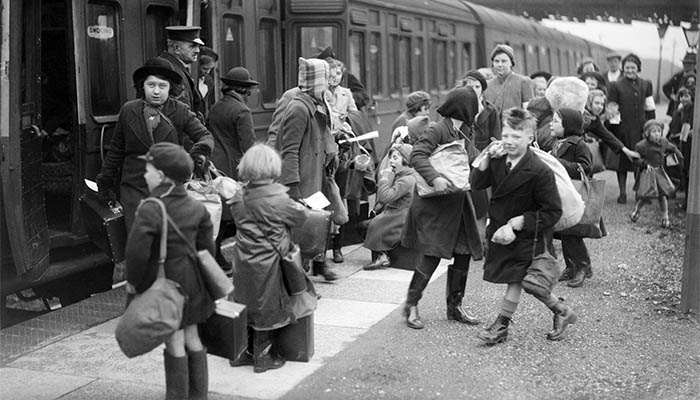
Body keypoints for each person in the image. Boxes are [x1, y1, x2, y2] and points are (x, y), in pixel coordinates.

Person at [471, 108, 577, 345]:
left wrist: (521, 221)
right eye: (506, 135)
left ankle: (501, 326)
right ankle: (561, 310)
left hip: (529, 236)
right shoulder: (498, 159)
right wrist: (486, 157)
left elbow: (552, 211)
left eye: (516, 137)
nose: (508, 141)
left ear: (530, 138)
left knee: (516, 280)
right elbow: (477, 183)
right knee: (528, 284)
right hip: (501, 232)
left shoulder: (539, 171)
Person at [126, 142, 214, 399]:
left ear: (162, 176)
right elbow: (206, 248)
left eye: (148, 170)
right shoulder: (197, 207)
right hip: (194, 283)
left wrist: (136, 285)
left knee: (174, 341)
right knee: (193, 336)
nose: (145, 175)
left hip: (167, 284)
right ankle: (199, 396)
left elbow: (137, 254)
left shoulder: (151, 208)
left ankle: (176, 396)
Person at [96, 57, 213, 233]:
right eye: (151, 85)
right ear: (142, 86)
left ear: (170, 88)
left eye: (162, 86)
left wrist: (199, 153)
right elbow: (116, 151)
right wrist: (105, 184)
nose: (156, 91)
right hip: (134, 189)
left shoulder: (179, 110)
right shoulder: (128, 111)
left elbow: (205, 135)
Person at [401, 87, 484, 329]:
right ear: (466, 108)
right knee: (432, 254)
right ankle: (411, 305)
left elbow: (469, 158)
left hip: (458, 202)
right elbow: (417, 155)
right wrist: (434, 177)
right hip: (435, 204)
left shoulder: (466, 131)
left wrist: (489, 155)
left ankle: (454, 307)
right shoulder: (437, 130)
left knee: (464, 251)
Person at [229, 143, 311, 373]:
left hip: (243, 260)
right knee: (267, 308)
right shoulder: (279, 200)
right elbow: (302, 217)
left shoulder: (238, 197)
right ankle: (263, 359)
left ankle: (241, 354)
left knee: (245, 303)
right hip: (270, 263)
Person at [277, 57, 339, 281]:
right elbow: (289, 150)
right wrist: (292, 185)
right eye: (325, 78)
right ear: (317, 82)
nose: (329, 83)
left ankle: (319, 265)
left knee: (319, 220)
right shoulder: (299, 108)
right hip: (303, 178)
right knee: (302, 227)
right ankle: (299, 280)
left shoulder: (312, 103)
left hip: (314, 174)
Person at [207, 66, 259, 269]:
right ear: (243, 89)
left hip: (216, 167)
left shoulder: (217, 106)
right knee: (240, 214)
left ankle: (215, 254)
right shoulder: (242, 110)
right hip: (234, 167)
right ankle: (244, 259)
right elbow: (248, 145)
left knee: (219, 214)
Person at [550, 108, 593, 288]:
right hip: (562, 194)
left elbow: (586, 168)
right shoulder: (557, 143)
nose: (551, 124)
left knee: (572, 233)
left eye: (556, 121)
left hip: (574, 195)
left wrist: (559, 163)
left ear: (568, 125)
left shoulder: (579, 145)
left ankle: (583, 266)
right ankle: (570, 266)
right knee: (564, 231)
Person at [607, 53, 655, 204]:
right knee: (622, 162)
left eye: (633, 67)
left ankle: (640, 194)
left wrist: (652, 126)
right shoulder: (616, 86)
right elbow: (612, 108)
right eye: (627, 67)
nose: (629, 70)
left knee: (640, 162)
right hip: (622, 129)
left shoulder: (646, 85)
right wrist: (615, 128)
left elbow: (650, 107)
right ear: (623, 68)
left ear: (638, 68)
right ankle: (622, 193)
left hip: (641, 129)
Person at [363, 144, 416, 270]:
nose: (391, 161)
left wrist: (384, 179)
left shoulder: (406, 180)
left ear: (406, 160)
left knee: (371, 225)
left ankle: (380, 255)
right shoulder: (408, 175)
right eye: (391, 157)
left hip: (399, 218)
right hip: (398, 215)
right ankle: (382, 254)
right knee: (366, 226)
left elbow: (384, 197)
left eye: (395, 158)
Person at [630, 120, 683, 228]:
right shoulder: (641, 146)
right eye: (653, 131)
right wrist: (644, 164)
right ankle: (637, 210)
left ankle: (665, 217)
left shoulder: (663, 142)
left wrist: (679, 156)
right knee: (645, 196)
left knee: (662, 195)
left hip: (660, 173)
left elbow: (673, 148)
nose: (657, 134)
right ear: (647, 133)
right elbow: (635, 159)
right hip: (648, 173)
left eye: (659, 131)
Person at [159, 26, 205, 119]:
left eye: (198, 46)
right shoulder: (171, 70)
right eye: (192, 46)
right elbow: (180, 114)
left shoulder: (174, 66)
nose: (197, 50)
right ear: (176, 48)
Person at [483, 44, 534, 115]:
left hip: (516, 125)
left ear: (511, 63)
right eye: (496, 61)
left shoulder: (523, 82)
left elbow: (529, 112)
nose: (500, 65)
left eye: (504, 61)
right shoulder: (487, 85)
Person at [458, 70, 502, 151]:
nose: (474, 90)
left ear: (482, 89)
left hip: (485, 154)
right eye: (470, 87)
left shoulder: (491, 110)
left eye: (477, 87)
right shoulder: (457, 109)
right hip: (463, 154)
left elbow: (495, 137)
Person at [668, 87, 694, 207]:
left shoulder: (693, 110)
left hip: (690, 144)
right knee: (681, 170)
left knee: (689, 171)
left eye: (686, 96)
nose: (683, 98)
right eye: (681, 96)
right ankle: (685, 200)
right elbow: (673, 126)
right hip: (681, 143)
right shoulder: (680, 110)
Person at [662, 51, 697, 116]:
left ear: (695, 65)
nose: (687, 66)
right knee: (674, 124)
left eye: (690, 64)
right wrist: (672, 96)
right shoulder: (678, 76)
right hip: (677, 108)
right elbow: (666, 87)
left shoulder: (697, 76)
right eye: (685, 63)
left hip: (692, 109)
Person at [197, 47, 219, 118]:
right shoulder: (191, 80)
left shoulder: (209, 80)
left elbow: (209, 103)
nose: (208, 72)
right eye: (205, 68)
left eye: (210, 69)